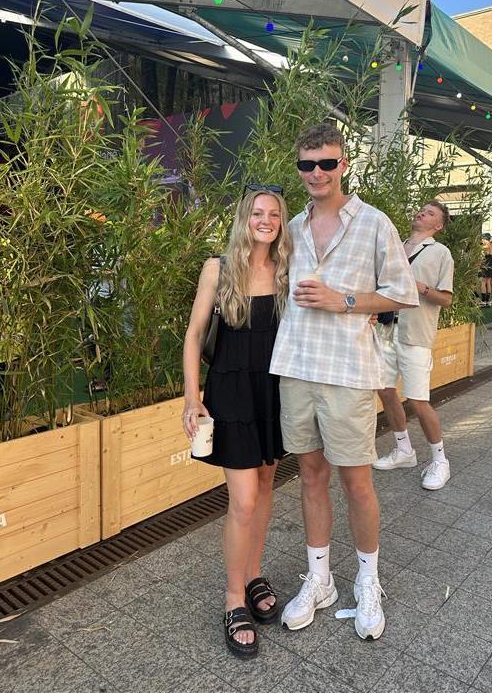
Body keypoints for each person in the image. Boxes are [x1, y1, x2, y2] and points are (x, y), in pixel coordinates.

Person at [269, 123, 419, 642]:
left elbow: (402, 292)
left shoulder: (374, 222)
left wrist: (346, 301)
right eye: (307, 165)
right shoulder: (290, 227)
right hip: (296, 366)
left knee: (357, 482)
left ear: (344, 165)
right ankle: (320, 579)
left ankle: (367, 581)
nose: (317, 173)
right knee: (310, 477)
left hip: (349, 372)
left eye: (327, 163)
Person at [182, 186, 292, 660]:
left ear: (282, 222)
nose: (266, 220)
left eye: (274, 214)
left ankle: (253, 574)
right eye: (258, 213)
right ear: (245, 218)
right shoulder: (219, 268)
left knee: (265, 487)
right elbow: (193, 336)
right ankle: (233, 599)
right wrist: (192, 398)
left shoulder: (287, 268)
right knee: (243, 500)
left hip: (273, 392)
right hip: (230, 392)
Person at [372, 201, 454, 492]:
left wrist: (420, 287)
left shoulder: (440, 253)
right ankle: (404, 449)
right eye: (421, 209)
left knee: (418, 400)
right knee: (385, 391)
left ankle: (440, 460)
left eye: (430, 213)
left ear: (438, 225)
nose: (421, 213)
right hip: (385, 330)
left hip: (415, 334)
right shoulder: (395, 246)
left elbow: (446, 299)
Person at [478, 233, 492, 305]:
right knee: (489, 282)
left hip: (486, 263)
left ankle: (483, 301)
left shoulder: (484, 246)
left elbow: (482, 257)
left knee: (483, 282)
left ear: (484, 239)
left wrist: (479, 265)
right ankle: (488, 301)